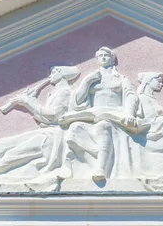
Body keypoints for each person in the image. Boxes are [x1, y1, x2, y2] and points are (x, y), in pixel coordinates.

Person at [59, 47, 142, 181]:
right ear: (97, 60)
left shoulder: (121, 79)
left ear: (112, 59)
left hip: (114, 114)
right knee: (74, 128)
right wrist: (87, 82)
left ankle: (101, 168)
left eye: (106, 55)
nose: (103, 58)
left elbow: (130, 96)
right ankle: (93, 163)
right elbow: (78, 100)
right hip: (93, 113)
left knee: (103, 126)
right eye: (100, 56)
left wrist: (130, 114)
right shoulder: (91, 77)